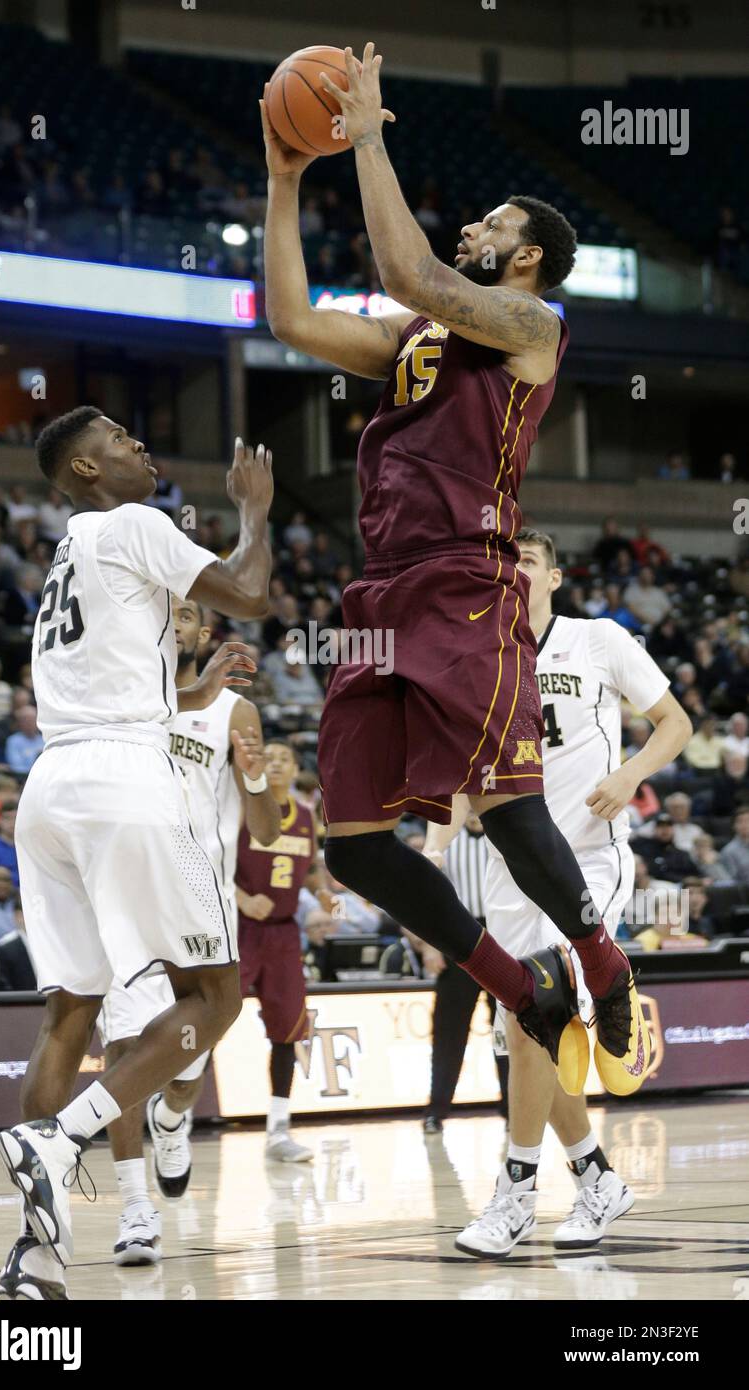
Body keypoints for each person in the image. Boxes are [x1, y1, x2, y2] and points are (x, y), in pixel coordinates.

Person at [261, 46, 650, 1114]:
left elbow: (410, 271)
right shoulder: (414, 339)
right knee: (353, 845)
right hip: (379, 590)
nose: (473, 229)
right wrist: (287, 177)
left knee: (511, 807)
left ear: (527, 258)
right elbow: (292, 321)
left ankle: (602, 962)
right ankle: (517, 985)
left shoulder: (533, 329)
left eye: (490, 222)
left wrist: (370, 133)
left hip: (465, 582)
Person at [0, 409, 272, 1301]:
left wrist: (187, 687)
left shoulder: (68, 554)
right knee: (218, 996)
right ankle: (63, 1134)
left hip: (50, 790)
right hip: (126, 784)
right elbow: (249, 592)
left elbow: (127, 671)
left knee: (69, 1014)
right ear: (83, 467)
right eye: (119, 439)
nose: (140, 446)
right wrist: (256, 514)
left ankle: (34, 1262)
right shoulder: (133, 523)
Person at [424, 529, 690, 1255]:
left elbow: (675, 723)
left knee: (532, 1007)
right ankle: (596, 1177)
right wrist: (431, 848)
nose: (512, 573)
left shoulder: (597, 639)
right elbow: (463, 782)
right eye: (502, 564)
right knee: (531, 1030)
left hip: (589, 862)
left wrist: (632, 772)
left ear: (554, 578)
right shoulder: (481, 663)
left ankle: (513, 1192)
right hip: (513, 871)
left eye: (527, 563)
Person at [96, 599, 281, 1266]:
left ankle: (173, 1118)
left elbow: (263, 831)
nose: (175, 622)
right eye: (164, 612)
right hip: (126, 898)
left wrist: (255, 773)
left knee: (184, 1068)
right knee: (120, 1055)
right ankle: (135, 1211)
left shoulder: (233, 712)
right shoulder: (120, 696)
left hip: (201, 909)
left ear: (205, 634)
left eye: (189, 615)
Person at [236, 740, 326, 1163]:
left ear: (294, 769)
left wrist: (325, 897)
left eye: (283, 758)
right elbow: (211, 862)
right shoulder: (241, 806)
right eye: (268, 757)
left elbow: (308, 871)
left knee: (289, 1030)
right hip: (238, 927)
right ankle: (174, 1119)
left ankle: (278, 1130)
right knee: (208, 1021)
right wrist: (240, 898)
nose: (275, 764)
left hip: (284, 934)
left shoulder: (306, 816)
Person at [421, 810, 505, 1134]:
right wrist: (429, 944)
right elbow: (423, 897)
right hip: (456, 937)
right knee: (448, 1033)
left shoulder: (504, 836)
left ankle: (515, 1110)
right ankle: (436, 1110)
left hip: (501, 938)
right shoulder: (443, 843)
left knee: (508, 1031)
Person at [631, 812, 700, 884]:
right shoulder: (643, 848)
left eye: (668, 826)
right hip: (649, 888)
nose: (665, 830)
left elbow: (695, 876)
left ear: (673, 829)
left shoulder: (681, 854)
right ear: (654, 829)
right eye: (661, 826)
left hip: (677, 889)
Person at [0, 906, 37, 991]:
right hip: (22, 1002)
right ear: (18, 916)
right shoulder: (4, 948)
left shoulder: (52, 943)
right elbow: (3, 989)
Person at [4, 705, 44, 774]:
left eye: (32, 720)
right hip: (22, 778)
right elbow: (16, 766)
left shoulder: (44, 740)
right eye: (26, 720)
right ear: (20, 723)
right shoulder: (13, 741)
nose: (30, 723)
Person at [718, 808, 749, 885]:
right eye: (740, 821)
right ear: (734, 826)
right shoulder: (728, 851)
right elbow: (732, 882)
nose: (744, 824)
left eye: (748, 820)